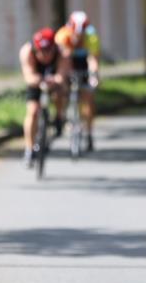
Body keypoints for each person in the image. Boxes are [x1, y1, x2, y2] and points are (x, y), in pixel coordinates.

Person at [19, 27, 69, 168]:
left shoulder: (62, 52)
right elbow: (28, 76)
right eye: (40, 51)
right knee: (32, 112)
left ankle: (59, 117)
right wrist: (40, 80)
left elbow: (62, 75)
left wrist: (56, 80)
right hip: (36, 80)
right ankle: (29, 149)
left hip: (54, 79)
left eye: (48, 51)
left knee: (60, 93)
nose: (44, 55)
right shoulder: (26, 52)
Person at [55, 11, 100, 151]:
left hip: (83, 62)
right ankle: (60, 116)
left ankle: (89, 132)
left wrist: (93, 76)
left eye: (81, 33)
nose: (79, 35)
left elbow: (92, 59)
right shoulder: (63, 35)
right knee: (60, 91)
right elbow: (63, 59)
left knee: (88, 98)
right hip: (68, 60)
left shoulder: (91, 35)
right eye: (76, 32)